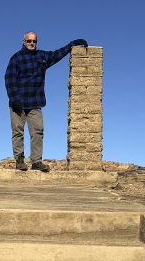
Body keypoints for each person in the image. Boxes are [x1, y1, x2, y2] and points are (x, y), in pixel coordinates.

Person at [5, 31, 88, 171]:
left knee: (38, 132)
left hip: (35, 103)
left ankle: (36, 162)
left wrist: (71, 45)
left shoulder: (42, 57)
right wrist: (14, 99)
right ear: (23, 41)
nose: (32, 43)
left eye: (34, 41)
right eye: (29, 41)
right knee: (17, 132)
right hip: (17, 104)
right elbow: (9, 79)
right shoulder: (16, 58)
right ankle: (19, 160)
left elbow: (57, 54)